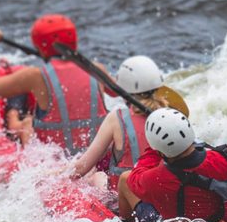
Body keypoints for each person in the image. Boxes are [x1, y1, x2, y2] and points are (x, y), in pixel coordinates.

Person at [0, 14, 107, 155]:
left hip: (53, 164)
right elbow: (119, 92)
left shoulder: (34, 76)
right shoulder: (97, 70)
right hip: (95, 159)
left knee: (28, 122)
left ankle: (14, 115)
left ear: (39, 46)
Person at [67, 55, 169, 189]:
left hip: (124, 197)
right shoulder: (171, 116)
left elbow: (80, 169)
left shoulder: (116, 118)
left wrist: (55, 178)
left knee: (97, 176)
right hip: (158, 193)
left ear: (123, 88)